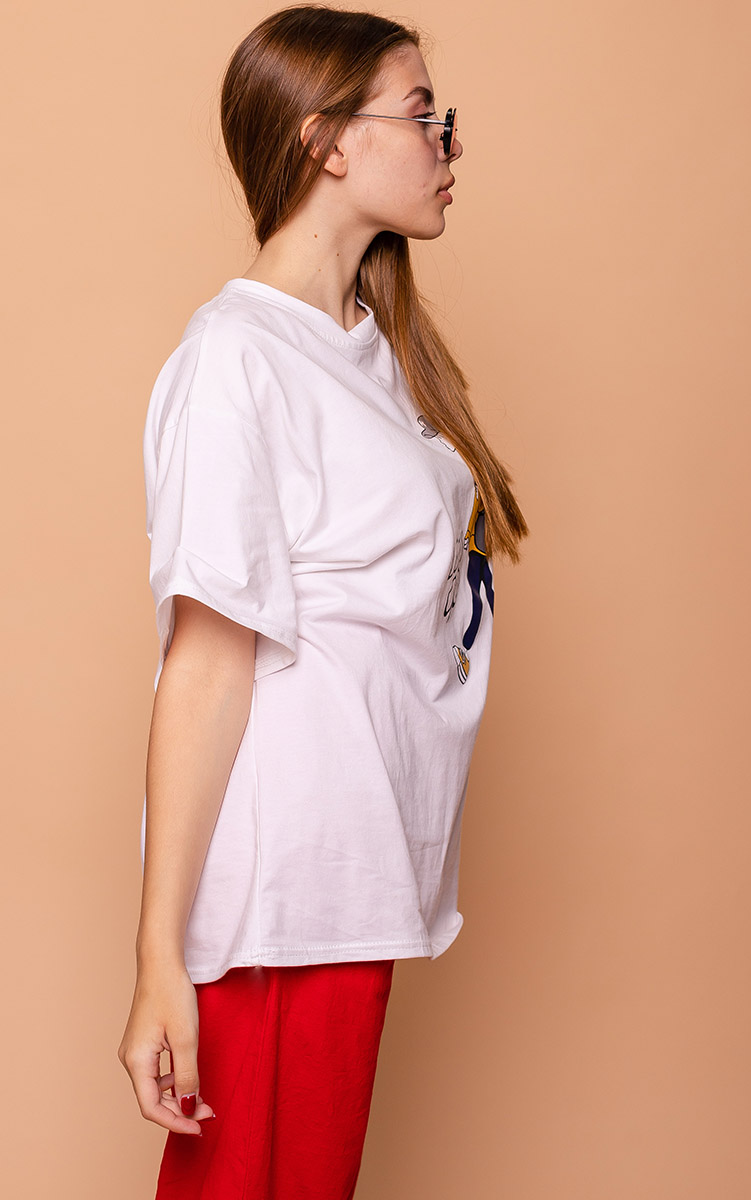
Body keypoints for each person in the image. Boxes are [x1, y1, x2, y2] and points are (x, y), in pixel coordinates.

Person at [118, 5, 529, 1197]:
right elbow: (205, 664)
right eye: (420, 114)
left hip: (357, 870)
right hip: (286, 883)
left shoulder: (369, 348)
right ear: (326, 141)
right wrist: (159, 961)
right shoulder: (234, 359)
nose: (447, 142)